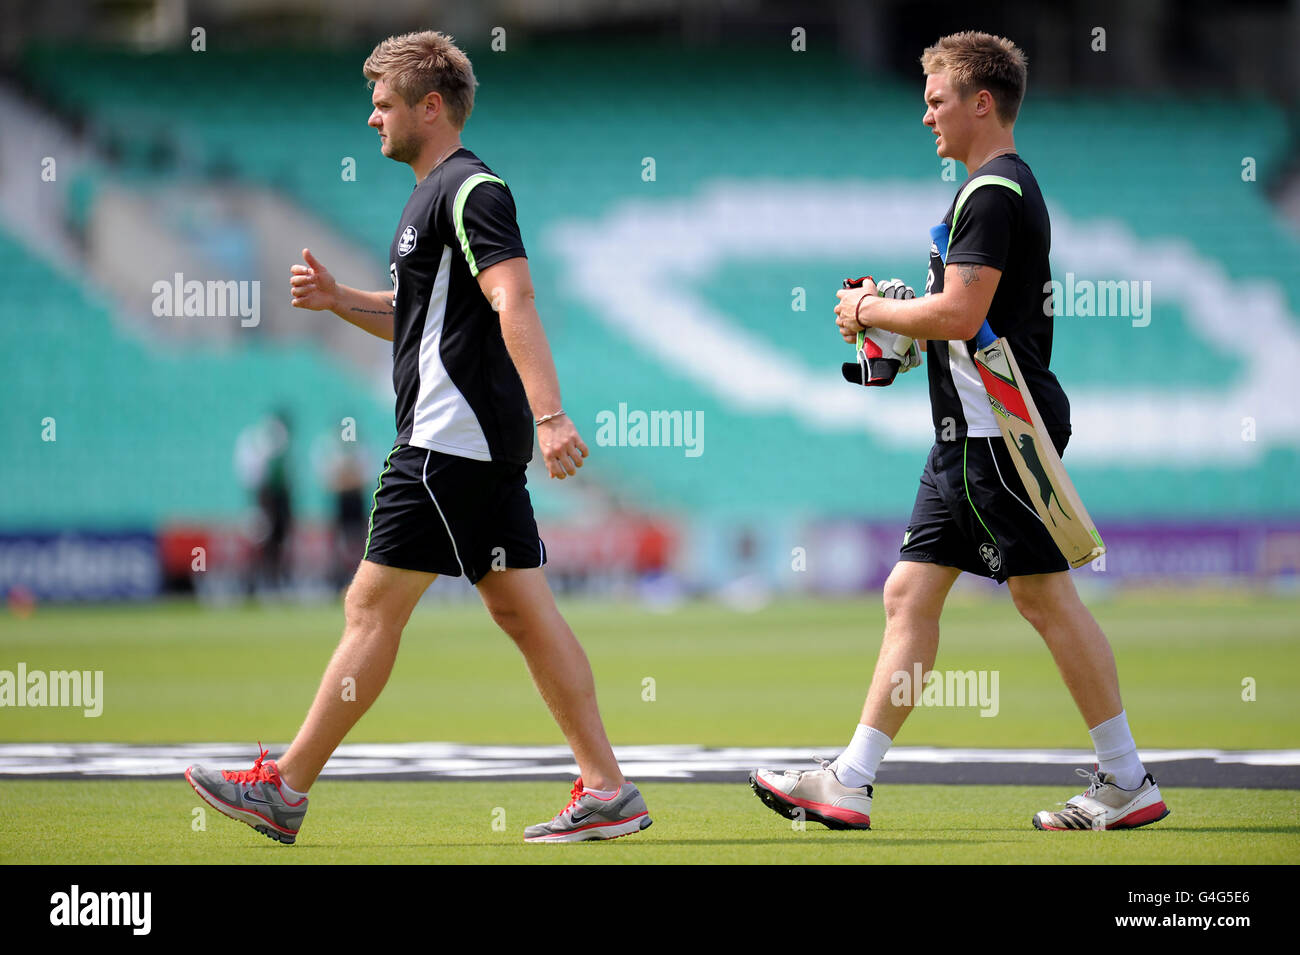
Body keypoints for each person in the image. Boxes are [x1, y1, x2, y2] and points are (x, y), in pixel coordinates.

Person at [187, 31, 651, 844]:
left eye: (383, 103)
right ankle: (608, 787)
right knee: (526, 614)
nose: (371, 119)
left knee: (370, 606)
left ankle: (285, 789)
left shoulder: (471, 190)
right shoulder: (430, 196)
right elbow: (419, 318)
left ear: (429, 107)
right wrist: (339, 300)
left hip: (445, 445)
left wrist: (551, 414)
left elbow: (516, 298)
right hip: (473, 448)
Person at [751, 31, 1168, 832]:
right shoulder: (992, 191)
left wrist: (872, 311)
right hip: (968, 434)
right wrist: (909, 334)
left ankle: (1125, 778)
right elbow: (965, 324)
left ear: (983, 102)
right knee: (910, 592)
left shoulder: (993, 191)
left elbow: (964, 313)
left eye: (937, 98)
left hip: (996, 437)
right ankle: (850, 778)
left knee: (1045, 598)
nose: (926, 115)